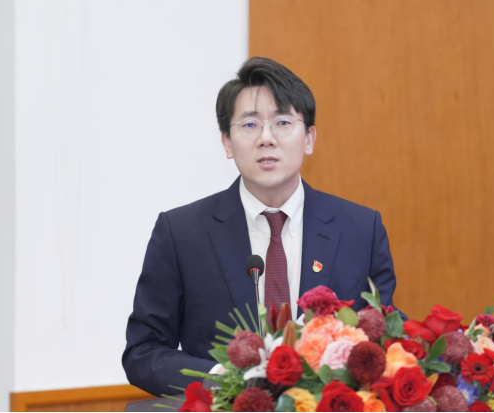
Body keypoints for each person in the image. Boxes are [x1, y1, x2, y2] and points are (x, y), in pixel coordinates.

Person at [122, 57, 403, 397]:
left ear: (309, 138)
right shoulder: (181, 233)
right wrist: (220, 379)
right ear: (227, 142)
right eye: (250, 125)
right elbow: (143, 351)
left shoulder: (360, 230)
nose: (266, 138)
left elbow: (383, 339)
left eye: (283, 122)